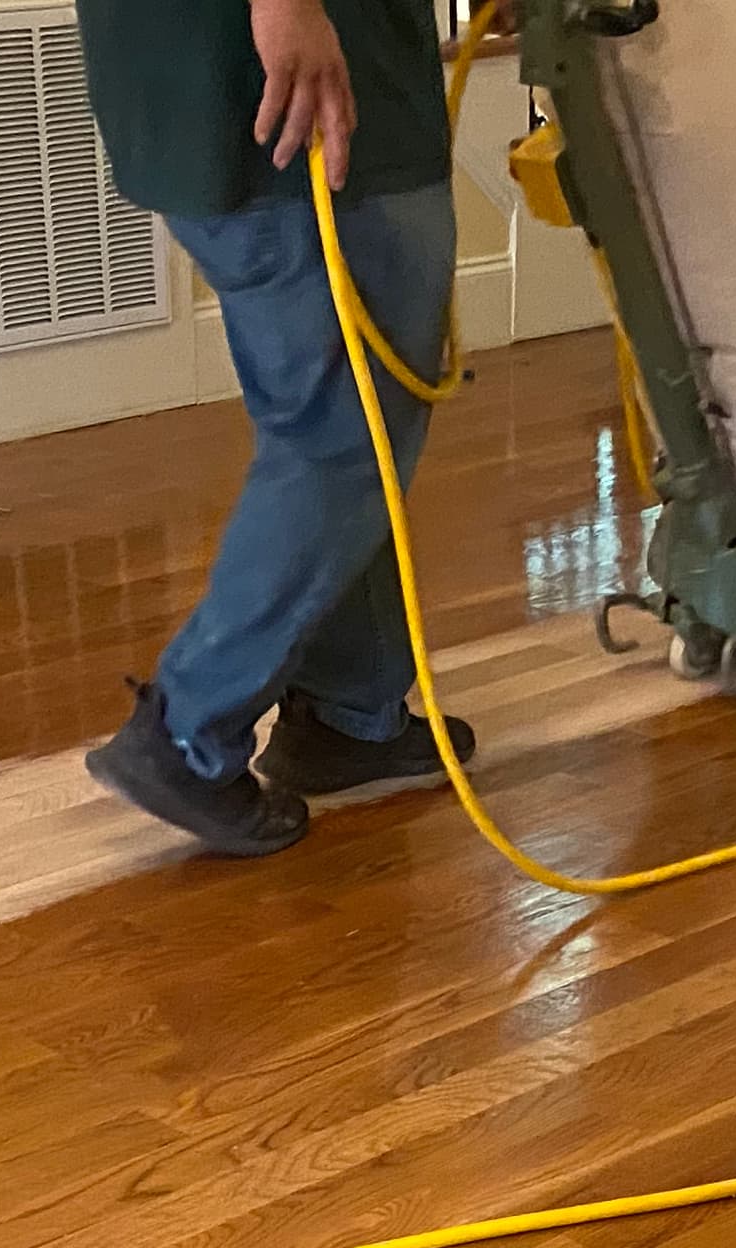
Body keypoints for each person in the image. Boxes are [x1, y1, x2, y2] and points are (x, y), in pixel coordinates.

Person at [76, 0, 483, 858]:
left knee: (359, 411)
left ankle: (351, 710)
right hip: (301, 85)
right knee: (341, 429)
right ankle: (187, 732)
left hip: (226, 80)